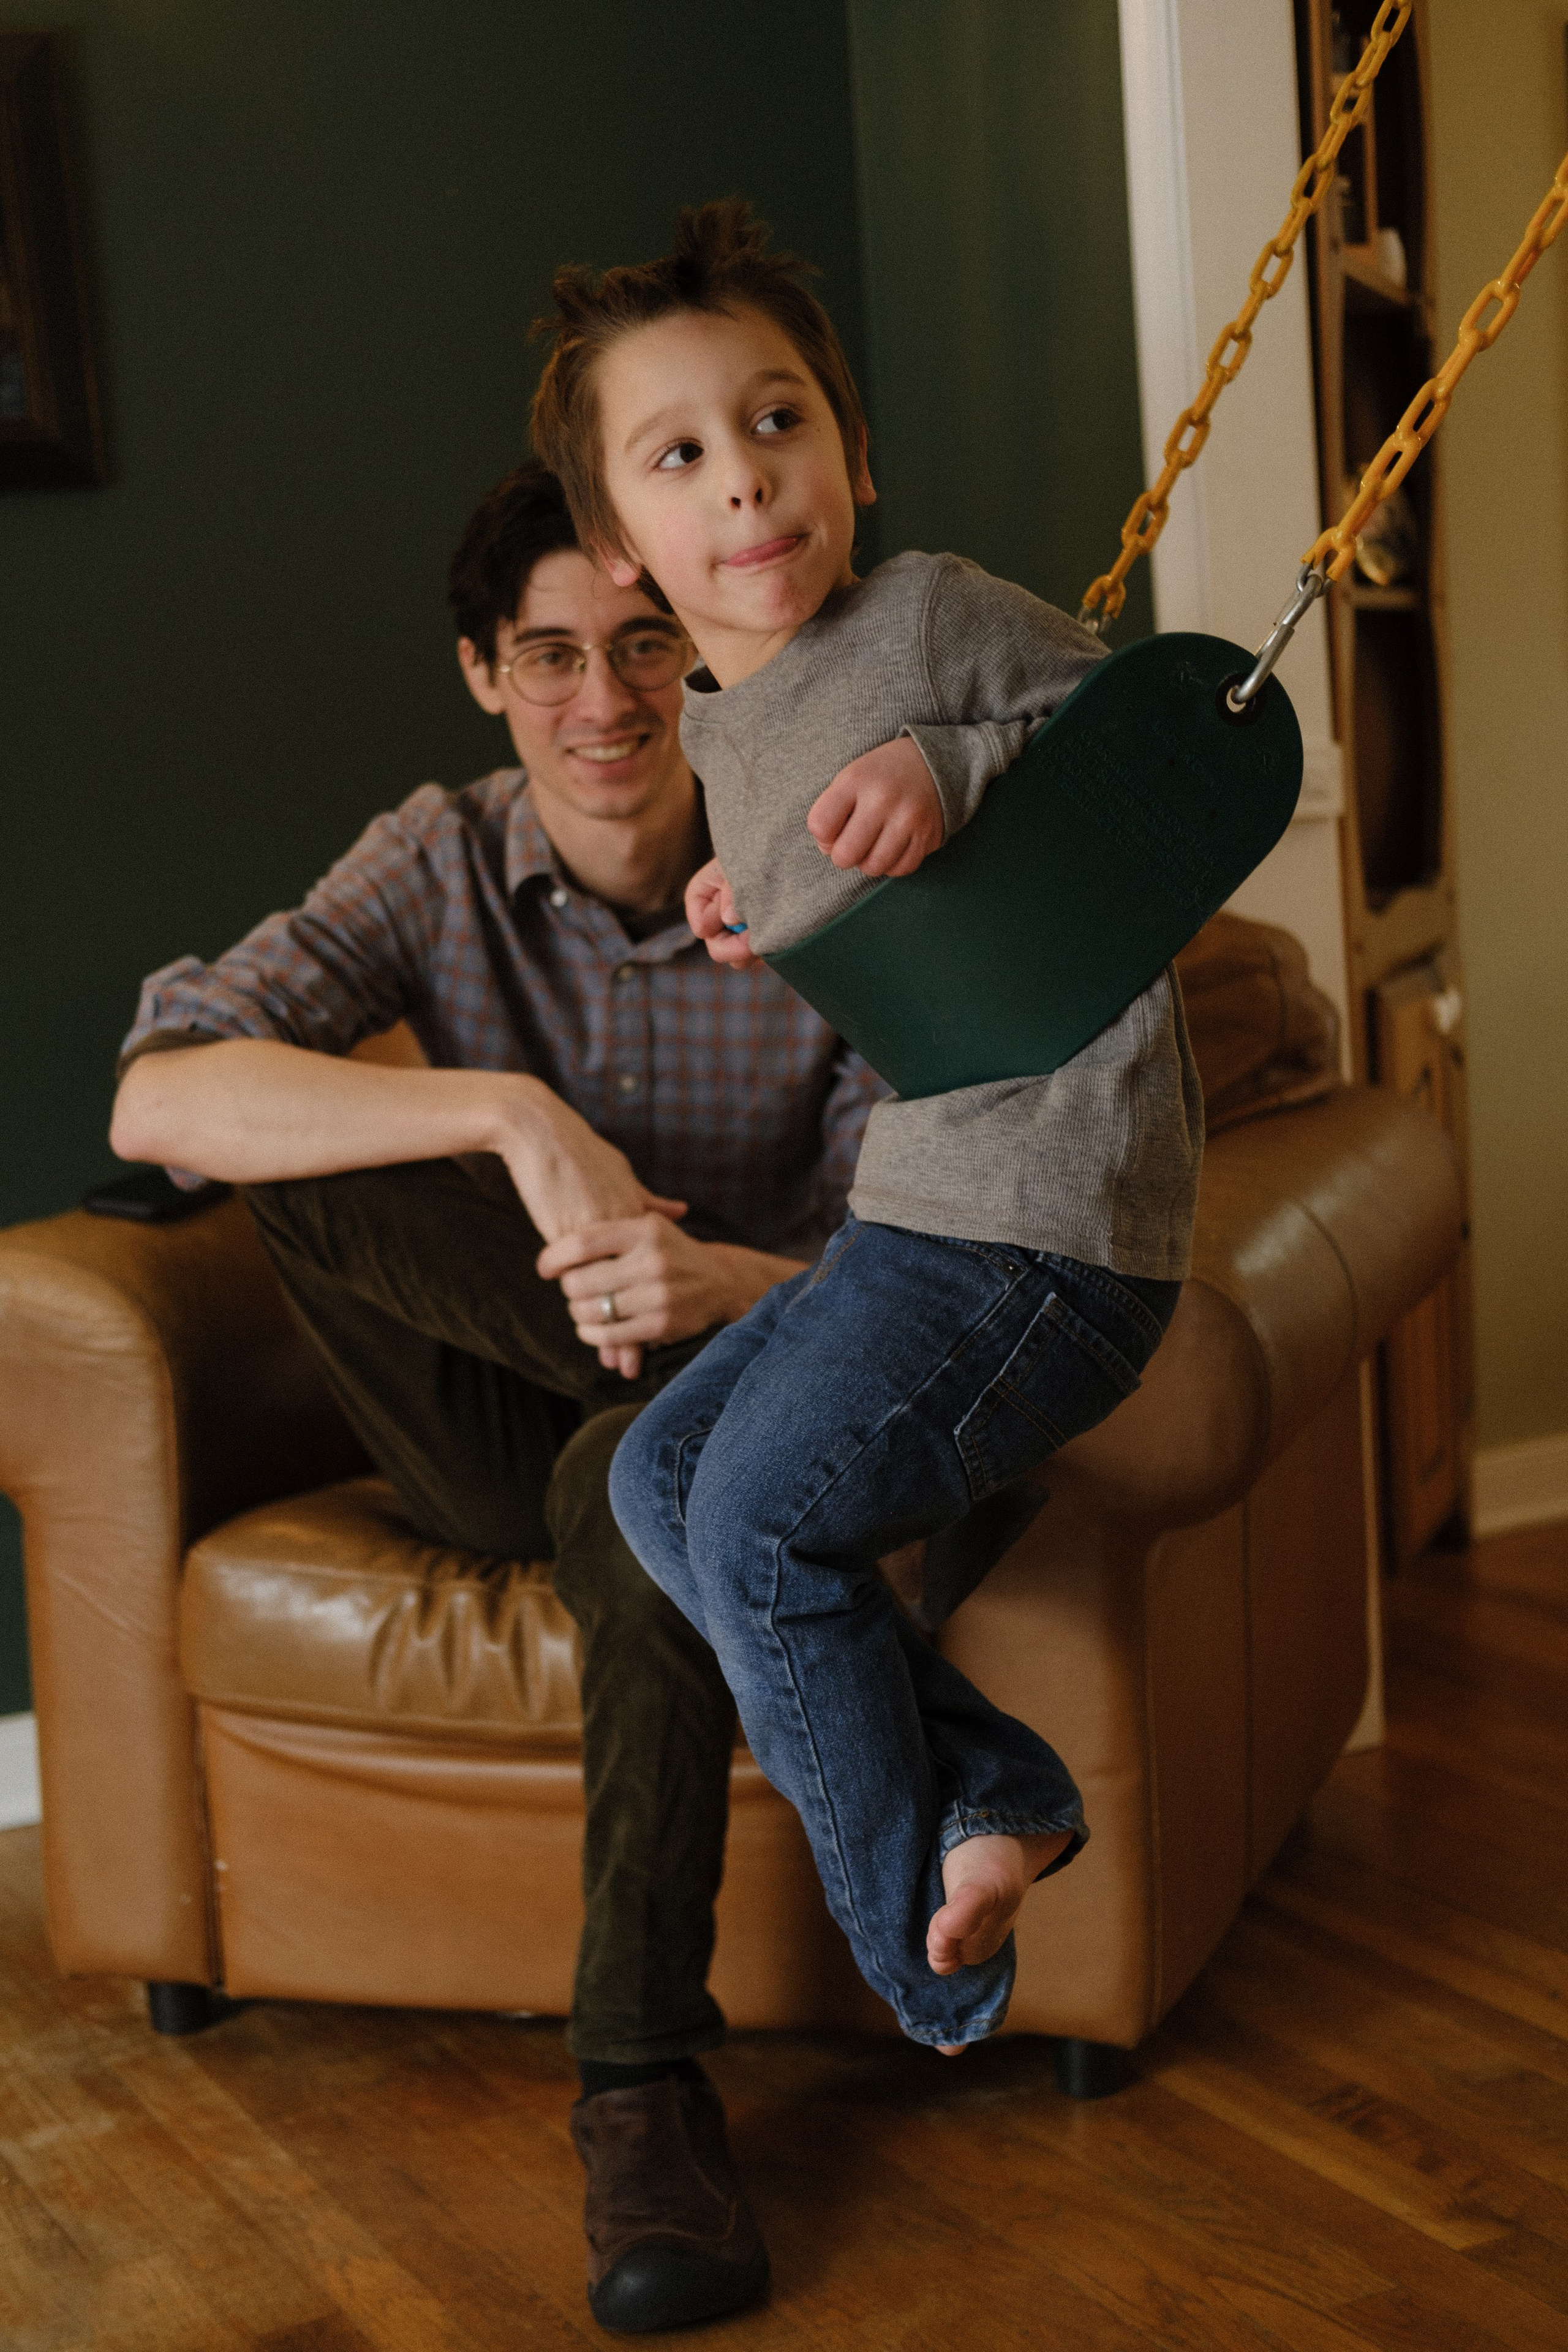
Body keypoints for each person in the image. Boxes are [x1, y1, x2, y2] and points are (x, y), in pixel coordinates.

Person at [108, 458, 884, 2334]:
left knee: (659, 1481)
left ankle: (639, 2093)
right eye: (550, 655)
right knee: (297, 1134)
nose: (601, 703)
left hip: (735, 1435)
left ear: (706, 656)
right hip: (485, 1424)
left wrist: (730, 1294)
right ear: (484, 672)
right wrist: (509, 1118)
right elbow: (156, 1097)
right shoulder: (437, 853)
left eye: (644, 647)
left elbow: (921, 1265)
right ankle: (667, 1395)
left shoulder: (819, 874)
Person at [529, 201, 1204, 2052]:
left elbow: (1158, 740)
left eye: (779, 424)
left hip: (1051, 1222)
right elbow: (888, 926)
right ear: (622, 546)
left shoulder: (931, 611)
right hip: (918, 1217)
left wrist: (955, 759)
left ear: (854, 450)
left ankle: (920, 1960)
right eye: (682, 456)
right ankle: (998, 1786)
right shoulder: (724, 729)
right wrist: (778, 917)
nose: (746, 484)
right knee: (658, 1486)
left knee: (755, 1523)